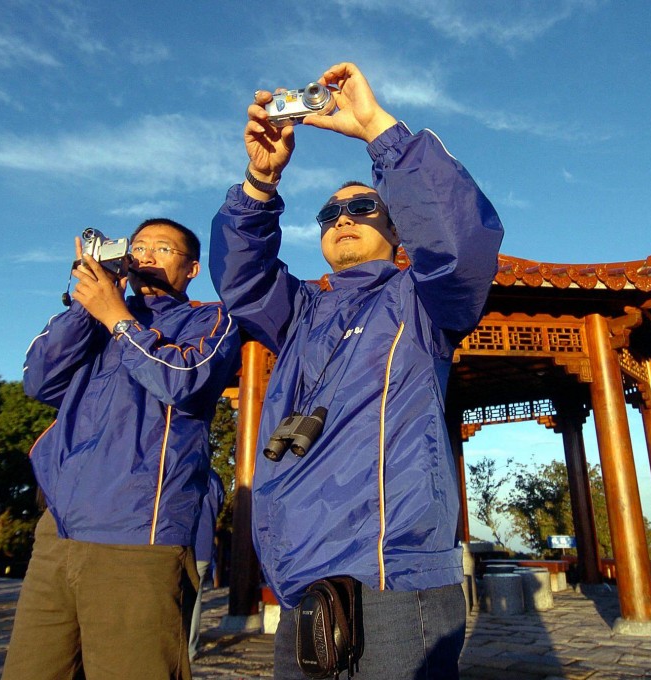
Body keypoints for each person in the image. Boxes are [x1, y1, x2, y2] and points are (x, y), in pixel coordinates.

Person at [210, 63, 504, 679]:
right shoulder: (300, 312)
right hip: (300, 575)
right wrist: (260, 184)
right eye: (329, 213)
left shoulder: (421, 302)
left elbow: (457, 244)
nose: (342, 218)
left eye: (363, 206)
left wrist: (376, 129)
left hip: (393, 577)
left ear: (396, 228)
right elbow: (241, 280)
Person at [3, 218, 240, 680]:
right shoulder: (94, 319)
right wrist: (89, 304)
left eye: (164, 249)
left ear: (192, 269)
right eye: (140, 247)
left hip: (137, 530)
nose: (148, 255)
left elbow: (184, 380)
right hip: (59, 529)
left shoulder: (208, 320)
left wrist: (119, 319)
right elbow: (38, 380)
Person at [188, 468, 224, 661]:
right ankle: (190, 648)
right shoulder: (214, 479)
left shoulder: (184, 470)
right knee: (195, 600)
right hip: (203, 546)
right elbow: (219, 505)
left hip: (181, 542)